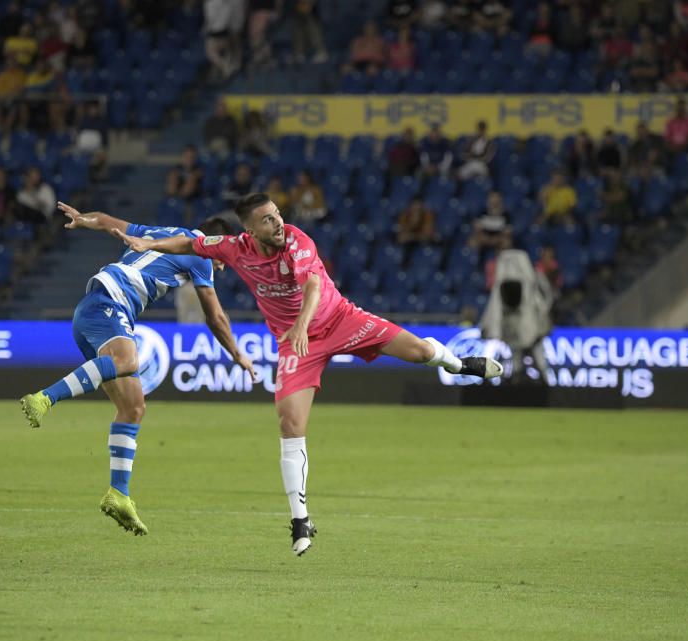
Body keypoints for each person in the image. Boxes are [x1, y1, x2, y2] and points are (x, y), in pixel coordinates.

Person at [111, 193, 503, 555]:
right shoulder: (234, 249)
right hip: (298, 344)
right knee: (289, 422)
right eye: (267, 220)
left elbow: (313, 285)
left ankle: (459, 364)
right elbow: (190, 244)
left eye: (278, 214)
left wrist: (299, 324)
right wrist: (148, 244)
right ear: (249, 229)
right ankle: (300, 520)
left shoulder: (298, 241)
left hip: (340, 320)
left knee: (418, 352)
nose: (278, 223)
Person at [20, 203, 253, 536]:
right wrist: (237, 354)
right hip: (109, 302)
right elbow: (215, 317)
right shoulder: (200, 253)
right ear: (220, 239)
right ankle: (45, 398)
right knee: (130, 362)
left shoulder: (161, 233)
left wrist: (84, 219)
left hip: (93, 311)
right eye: (228, 253)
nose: (226, 263)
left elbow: (106, 220)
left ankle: (119, 495)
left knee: (132, 407)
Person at [480, 249, 553, 385]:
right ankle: (516, 383)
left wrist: (542, 321)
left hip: (532, 328)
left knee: (539, 358)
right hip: (514, 329)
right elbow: (495, 307)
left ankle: (547, 387)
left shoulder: (534, 282)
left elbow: (545, 300)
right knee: (516, 358)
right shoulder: (501, 287)